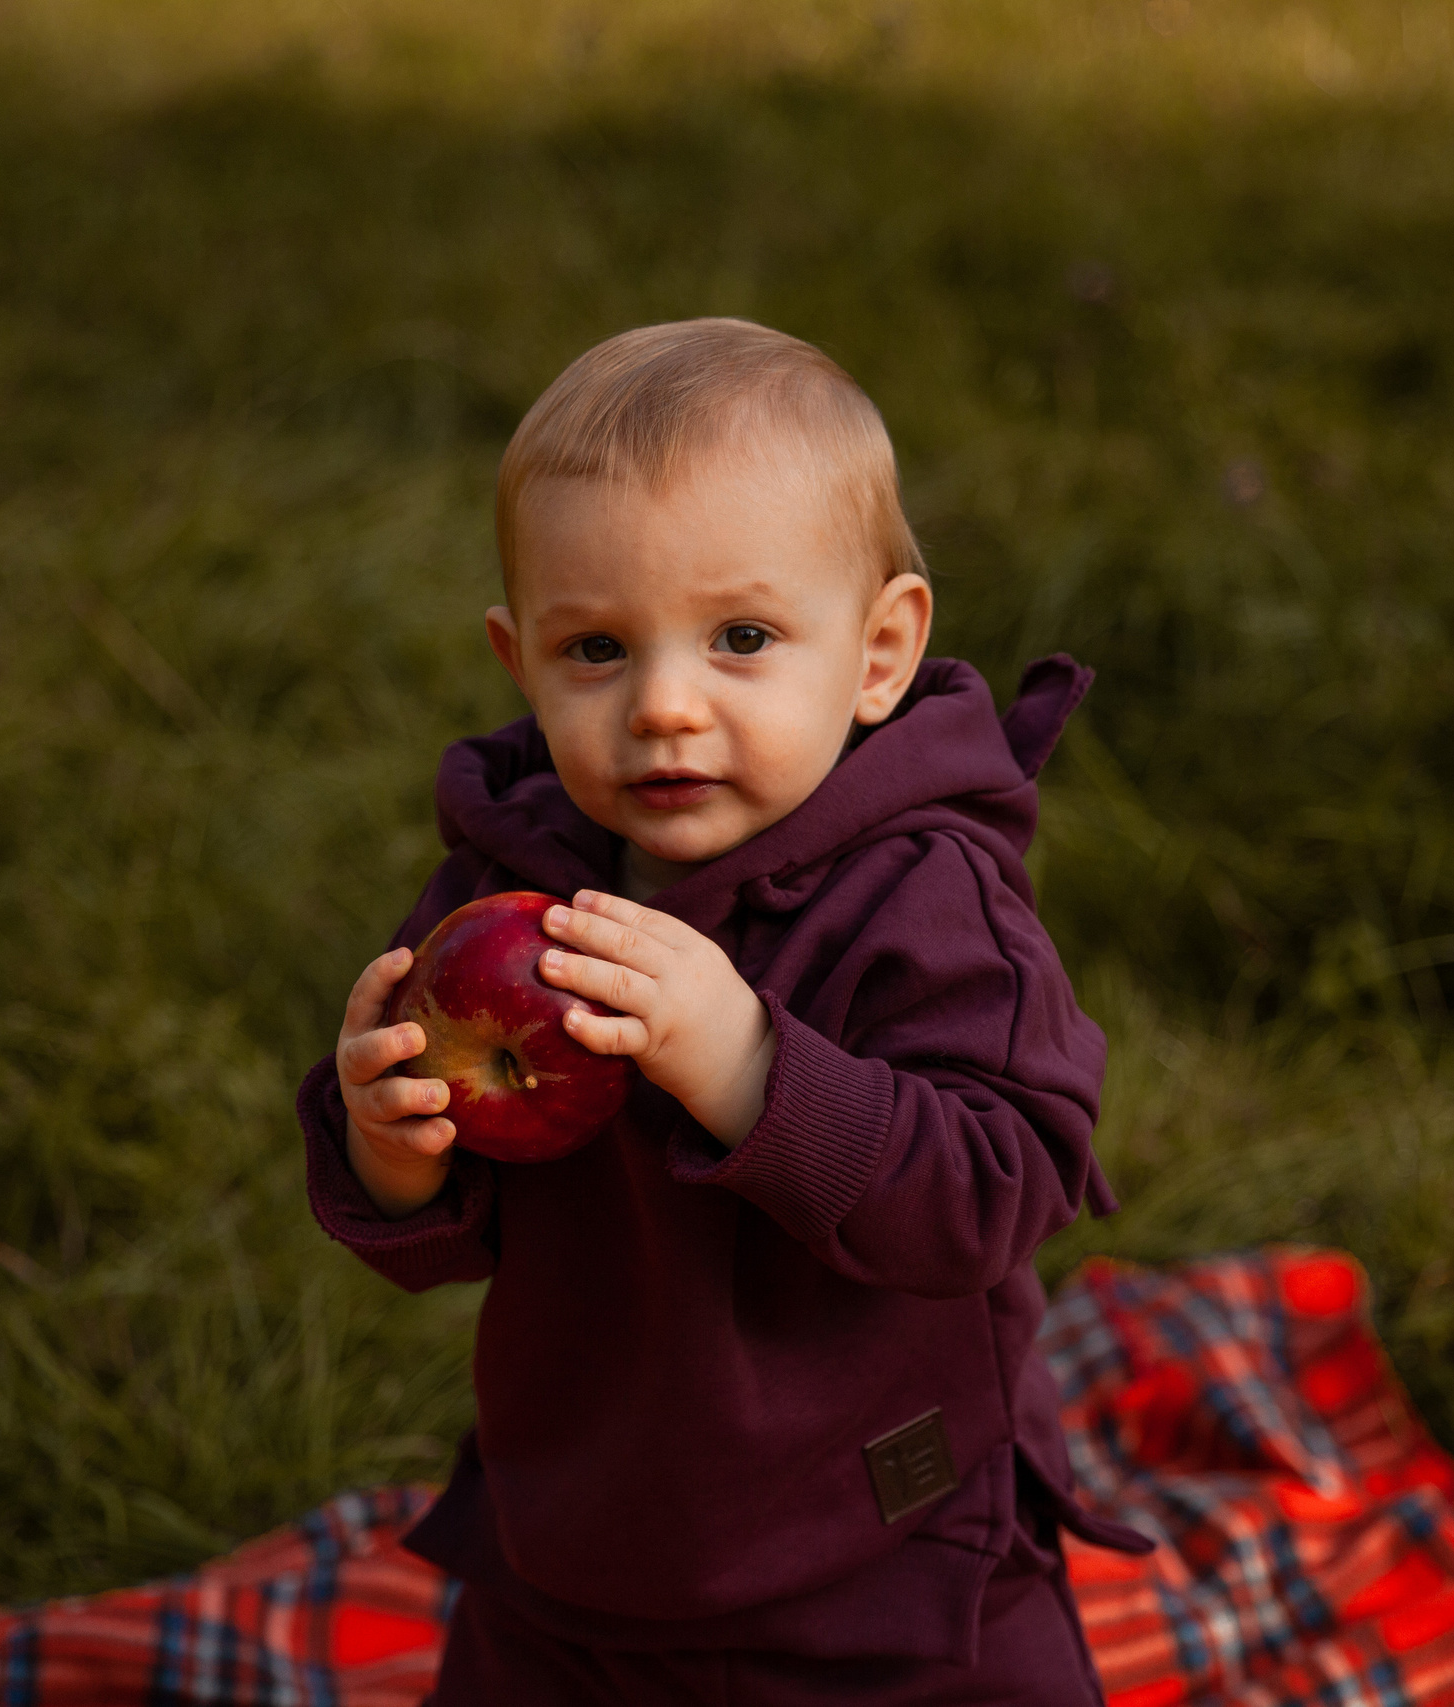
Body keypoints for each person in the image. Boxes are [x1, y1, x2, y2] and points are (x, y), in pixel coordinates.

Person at [295, 317, 1148, 1703]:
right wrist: (391, 1150)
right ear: (519, 661)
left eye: (741, 637)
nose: (666, 707)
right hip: (588, 1524)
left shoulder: (922, 895)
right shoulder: (510, 891)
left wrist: (751, 1065)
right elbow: (445, 1223)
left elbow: (1002, 1183)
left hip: (887, 1534)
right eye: (597, 651)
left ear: (878, 654)